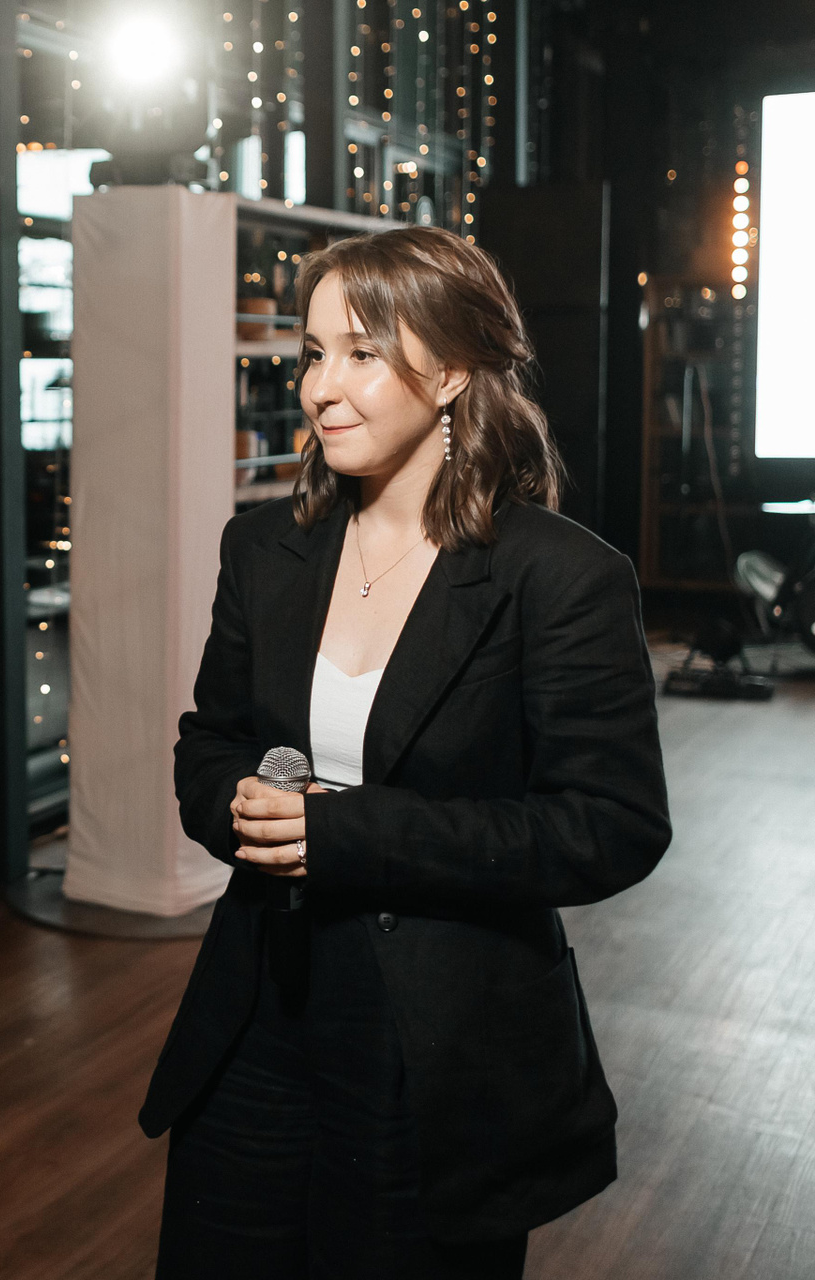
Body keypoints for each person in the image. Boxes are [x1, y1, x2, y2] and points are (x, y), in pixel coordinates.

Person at [139, 226, 671, 1277]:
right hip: (259, 1010)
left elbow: (609, 827)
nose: (320, 389)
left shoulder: (561, 577)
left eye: (362, 353)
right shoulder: (263, 547)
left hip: (446, 1043)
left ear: (455, 371)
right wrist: (241, 800)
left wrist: (345, 834)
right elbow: (212, 740)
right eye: (311, 353)